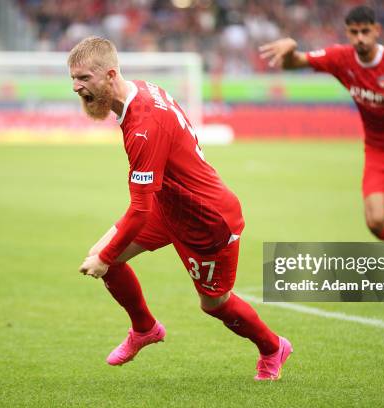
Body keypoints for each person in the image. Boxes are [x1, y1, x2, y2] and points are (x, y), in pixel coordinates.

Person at [70, 36, 292, 380]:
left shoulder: (144, 126)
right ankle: (145, 328)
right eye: (73, 78)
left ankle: (272, 347)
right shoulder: (140, 90)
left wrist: (104, 258)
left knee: (214, 304)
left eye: (84, 78)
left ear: (111, 74)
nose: (75, 87)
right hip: (170, 204)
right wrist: (105, 256)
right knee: (106, 255)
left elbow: (139, 210)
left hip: (207, 219)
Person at [259, 5, 384, 298]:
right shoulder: (340, 58)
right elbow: (295, 63)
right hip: (378, 152)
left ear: (376, 31)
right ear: (347, 33)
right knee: (374, 221)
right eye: (354, 32)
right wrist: (291, 48)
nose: (360, 38)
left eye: (365, 31)